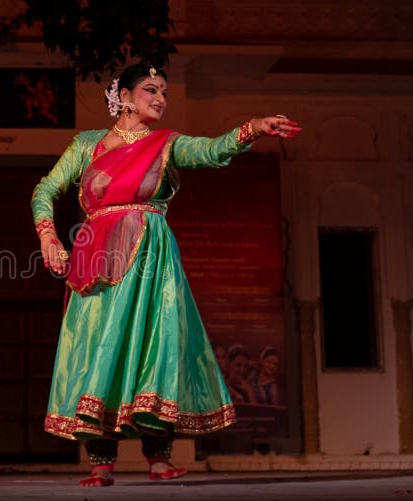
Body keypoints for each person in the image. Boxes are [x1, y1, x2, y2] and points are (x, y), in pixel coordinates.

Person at [30, 63, 301, 487]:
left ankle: (158, 458)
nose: (160, 99)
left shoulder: (165, 144)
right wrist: (49, 237)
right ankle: (101, 462)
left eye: (165, 93)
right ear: (123, 96)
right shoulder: (87, 145)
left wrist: (253, 128)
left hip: (151, 259)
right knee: (100, 350)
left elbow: (211, 151)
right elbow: (46, 189)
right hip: (97, 260)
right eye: (151, 90)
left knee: (156, 347)